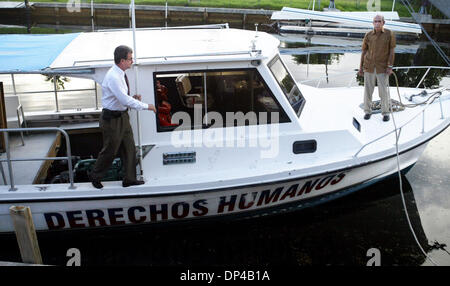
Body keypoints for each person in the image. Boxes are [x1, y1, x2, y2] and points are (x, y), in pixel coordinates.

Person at [90, 45, 156, 189]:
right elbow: (124, 100)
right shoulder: (113, 77)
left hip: (122, 117)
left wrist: (133, 98)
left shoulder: (120, 73)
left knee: (129, 148)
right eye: (130, 59)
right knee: (110, 150)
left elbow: (122, 98)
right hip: (112, 119)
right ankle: (95, 176)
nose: (132, 61)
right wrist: (147, 106)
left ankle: (129, 179)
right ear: (122, 60)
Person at [358, 14, 396, 122]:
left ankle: (385, 113)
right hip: (368, 66)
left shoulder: (389, 34)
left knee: (383, 91)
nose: (377, 23)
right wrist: (360, 67)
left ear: (383, 23)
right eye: (375, 21)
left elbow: (392, 52)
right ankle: (367, 111)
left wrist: (390, 66)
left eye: (379, 21)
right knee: (368, 90)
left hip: (383, 67)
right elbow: (364, 51)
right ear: (373, 23)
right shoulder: (368, 35)